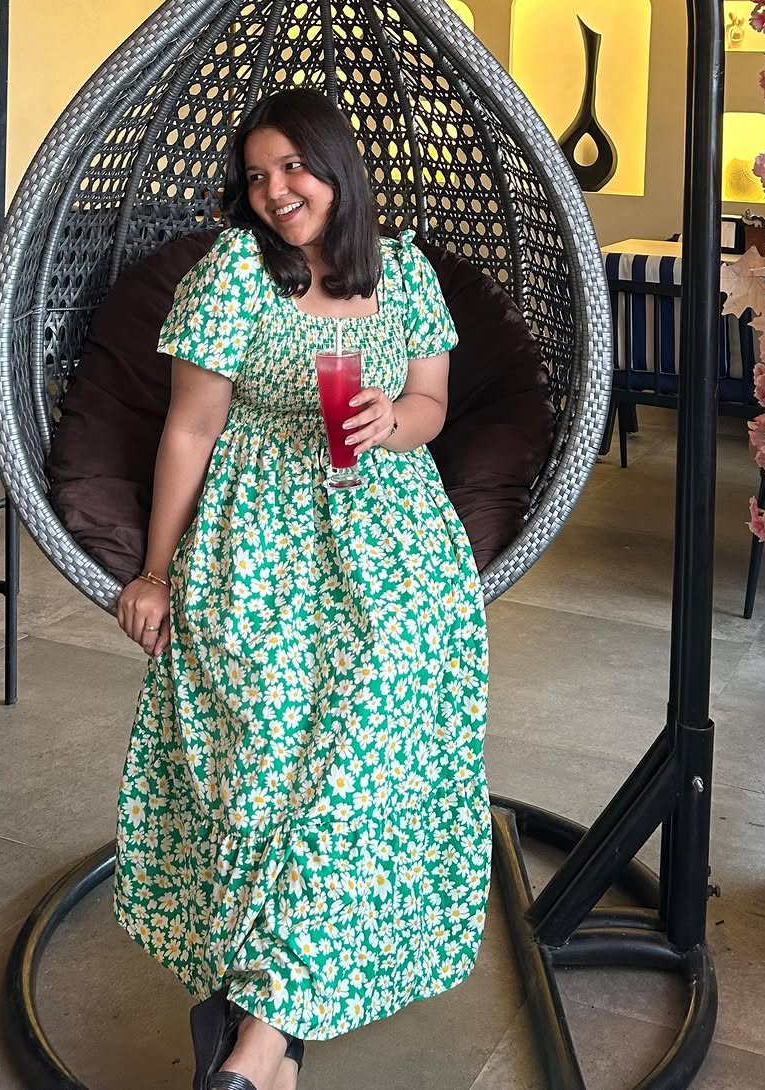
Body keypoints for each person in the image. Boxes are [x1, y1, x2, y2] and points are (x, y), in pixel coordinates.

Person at [113, 90, 491, 1090]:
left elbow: (432, 401)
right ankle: (261, 1055)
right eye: (256, 176)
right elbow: (190, 428)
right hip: (262, 529)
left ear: (337, 169)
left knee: (364, 731)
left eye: (293, 167)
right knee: (276, 743)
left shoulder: (406, 270)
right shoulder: (235, 273)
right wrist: (155, 569)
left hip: (391, 528)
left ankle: (254, 1049)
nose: (275, 191)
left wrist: (391, 421)